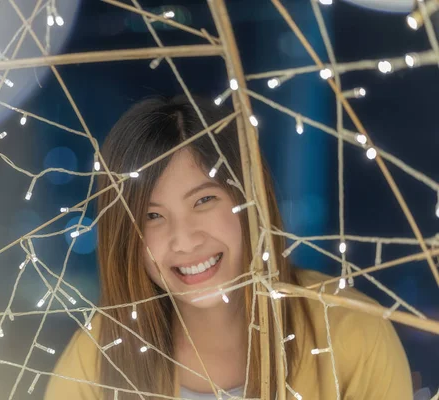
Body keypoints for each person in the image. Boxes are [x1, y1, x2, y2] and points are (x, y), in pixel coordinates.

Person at [44, 95, 413, 399]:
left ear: (251, 199)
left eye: (204, 200)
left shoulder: (351, 334)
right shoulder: (97, 360)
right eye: (151, 217)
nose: (185, 239)